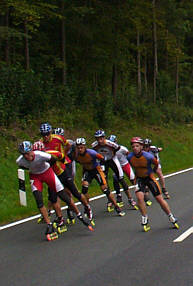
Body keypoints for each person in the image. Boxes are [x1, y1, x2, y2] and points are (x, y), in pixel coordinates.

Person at [16, 141, 93, 240]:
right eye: (24, 154)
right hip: (35, 177)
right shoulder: (20, 160)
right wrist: (32, 168)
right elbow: (22, 166)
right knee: (38, 200)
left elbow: (53, 160)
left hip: (48, 173)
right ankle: (49, 224)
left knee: (64, 196)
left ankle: (79, 215)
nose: (27, 156)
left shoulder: (41, 155)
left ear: (32, 150)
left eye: (28, 153)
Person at [38, 122, 93, 222]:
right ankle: (60, 218)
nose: (45, 136)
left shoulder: (58, 138)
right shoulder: (40, 144)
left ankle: (87, 207)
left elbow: (69, 146)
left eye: (47, 134)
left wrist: (63, 155)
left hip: (63, 169)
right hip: (52, 173)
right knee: (53, 197)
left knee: (75, 192)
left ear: (50, 133)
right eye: (43, 134)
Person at [127, 137, 179, 232]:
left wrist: (154, 170)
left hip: (150, 178)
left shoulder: (148, 156)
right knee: (139, 197)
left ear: (141, 146)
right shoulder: (130, 157)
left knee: (159, 199)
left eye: (137, 146)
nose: (135, 148)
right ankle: (144, 217)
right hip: (140, 179)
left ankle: (170, 216)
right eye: (133, 146)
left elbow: (156, 163)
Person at [74, 138, 125, 217]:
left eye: (81, 147)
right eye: (78, 148)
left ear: (85, 147)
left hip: (96, 170)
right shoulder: (76, 155)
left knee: (105, 189)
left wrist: (103, 167)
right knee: (84, 188)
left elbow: (102, 158)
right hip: (87, 171)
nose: (80, 149)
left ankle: (116, 206)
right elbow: (81, 164)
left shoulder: (92, 153)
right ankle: (87, 207)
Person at [91, 129, 130, 212]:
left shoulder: (110, 143)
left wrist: (111, 154)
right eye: (97, 139)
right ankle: (110, 200)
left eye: (101, 138)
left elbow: (117, 148)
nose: (99, 141)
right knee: (104, 180)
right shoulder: (94, 145)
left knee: (119, 177)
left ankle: (130, 198)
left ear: (104, 137)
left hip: (112, 159)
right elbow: (94, 152)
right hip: (103, 161)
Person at [107, 134, 138, 210]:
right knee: (115, 178)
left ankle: (141, 191)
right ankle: (119, 196)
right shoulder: (108, 151)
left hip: (125, 164)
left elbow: (129, 155)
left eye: (113, 143)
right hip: (117, 167)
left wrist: (133, 163)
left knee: (132, 179)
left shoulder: (122, 148)